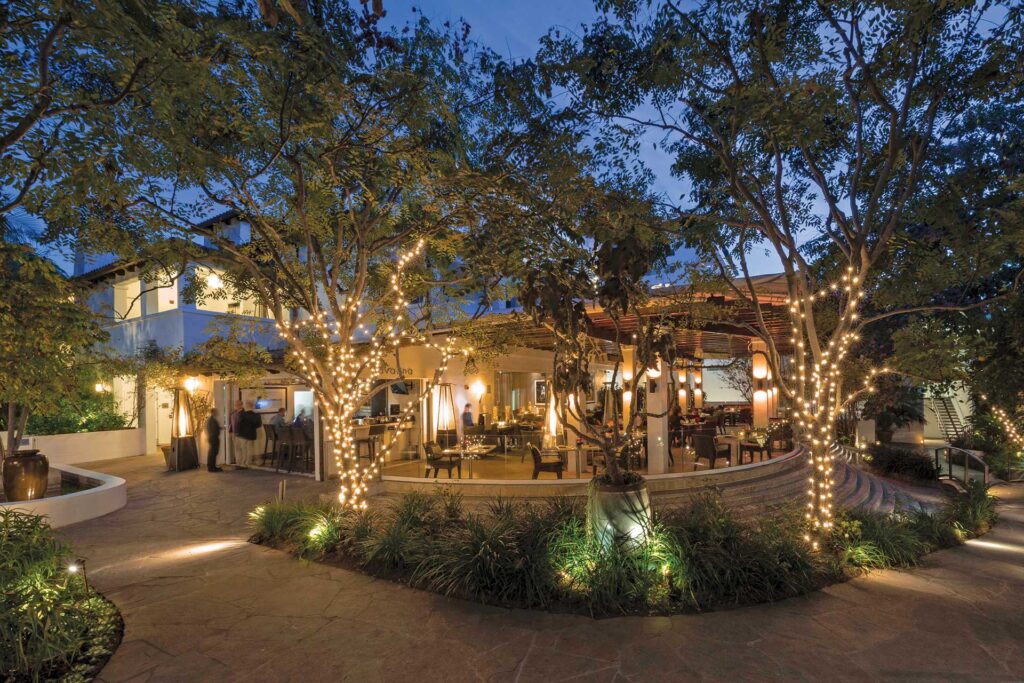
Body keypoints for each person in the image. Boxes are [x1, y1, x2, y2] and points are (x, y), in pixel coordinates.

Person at [235, 401, 261, 468]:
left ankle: (243, 463)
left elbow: (239, 424)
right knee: (250, 449)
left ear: (246, 406)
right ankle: (248, 462)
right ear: (252, 406)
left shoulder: (243, 414)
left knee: (244, 448)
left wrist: (237, 433)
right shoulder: (257, 415)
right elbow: (258, 425)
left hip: (243, 434)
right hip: (252, 434)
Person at [205, 408, 223, 472]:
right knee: (213, 453)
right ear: (212, 412)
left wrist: (220, 428)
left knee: (212, 453)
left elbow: (214, 428)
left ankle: (211, 466)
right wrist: (218, 430)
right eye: (215, 412)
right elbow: (213, 429)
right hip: (213, 438)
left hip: (212, 438)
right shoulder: (212, 420)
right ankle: (212, 467)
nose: (217, 413)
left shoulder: (210, 420)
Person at [228, 399, 244, 465]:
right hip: (234, 433)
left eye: (238, 404)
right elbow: (230, 424)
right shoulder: (232, 413)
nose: (236, 406)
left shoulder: (244, 413)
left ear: (241, 405)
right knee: (236, 448)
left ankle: (242, 462)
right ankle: (238, 462)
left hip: (242, 434)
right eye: (236, 404)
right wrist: (230, 432)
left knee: (242, 448)